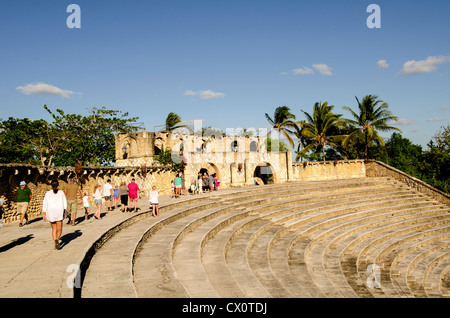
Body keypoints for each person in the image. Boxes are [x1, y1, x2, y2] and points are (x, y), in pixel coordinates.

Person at [42, 180, 67, 250]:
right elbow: (64, 202)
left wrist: (44, 213)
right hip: (59, 211)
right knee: (59, 229)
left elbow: (45, 203)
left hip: (50, 211)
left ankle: (55, 242)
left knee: (54, 228)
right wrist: (64, 211)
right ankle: (57, 239)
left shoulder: (48, 193)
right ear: (58, 185)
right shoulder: (61, 193)